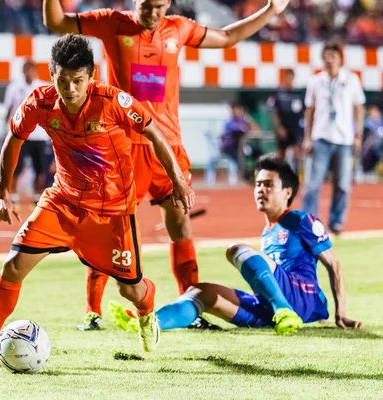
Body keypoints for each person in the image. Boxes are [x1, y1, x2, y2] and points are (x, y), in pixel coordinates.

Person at [0, 34, 194, 366]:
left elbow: (152, 130)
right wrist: (1, 192)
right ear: (52, 75)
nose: (71, 88)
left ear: (91, 76)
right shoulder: (39, 102)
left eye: (78, 80)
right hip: (61, 202)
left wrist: (176, 178)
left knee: (130, 290)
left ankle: (147, 311)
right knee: (13, 266)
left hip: (112, 213)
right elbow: (13, 140)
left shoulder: (112, 101)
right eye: (63, 80)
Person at [43, 0, 291, 331]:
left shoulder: (178, 28)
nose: (153, 13)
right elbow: (57, 21)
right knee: (109, 229)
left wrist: (271, 12)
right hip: (123, 148)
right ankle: (92, 311)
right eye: (147, 6)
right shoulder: (112, 23)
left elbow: (227, 37)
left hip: (167, 148)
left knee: (181, 228)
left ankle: (191, 307)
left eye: (160, 6)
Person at [109, 154, 363, 335]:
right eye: (258, 184)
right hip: (271, 305)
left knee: (237, 250)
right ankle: (149, 322)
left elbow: (334, 264)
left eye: (269, 185)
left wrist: (340, 312)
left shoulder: (300, 220)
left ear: (287, 192)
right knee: (201, 292)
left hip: (302, 297)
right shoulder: (268, 232)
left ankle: (284, 310)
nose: (261, 190)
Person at [301, 42, 365, 236]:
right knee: (312, 184)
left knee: (343, 185)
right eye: (326, 56)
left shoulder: (351, 80)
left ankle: (336, 222)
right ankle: (309, 224)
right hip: (321, 137)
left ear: (340, 59)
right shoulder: (315, 81)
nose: (329, 60)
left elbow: (359, 108)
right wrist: (307, 137)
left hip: (344, 139)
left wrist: (358, 135)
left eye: (333, 56)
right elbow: (309, 110)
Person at [3, 59, 51, 205]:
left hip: (39, 134)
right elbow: (8, 109)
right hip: (20, 133)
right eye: (26, 69)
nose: (29, 72)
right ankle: (13, 194)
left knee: (40, 167)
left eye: (31, 69)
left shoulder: (44, 86)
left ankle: (37, 194)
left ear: (36, 71)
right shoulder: (14, 87)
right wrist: (5, 131)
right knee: (16, 166)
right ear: (23, 71)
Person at [269, 69, 304, 171]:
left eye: (291, 78)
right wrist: (279, 127)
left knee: (297, 150)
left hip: (296, 127)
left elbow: (303, 111)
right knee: (281, 152)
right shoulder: (278, 93)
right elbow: (273, 111)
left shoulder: (298, 93)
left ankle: (295, 173)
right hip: (283, 126)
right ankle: (279, 173)